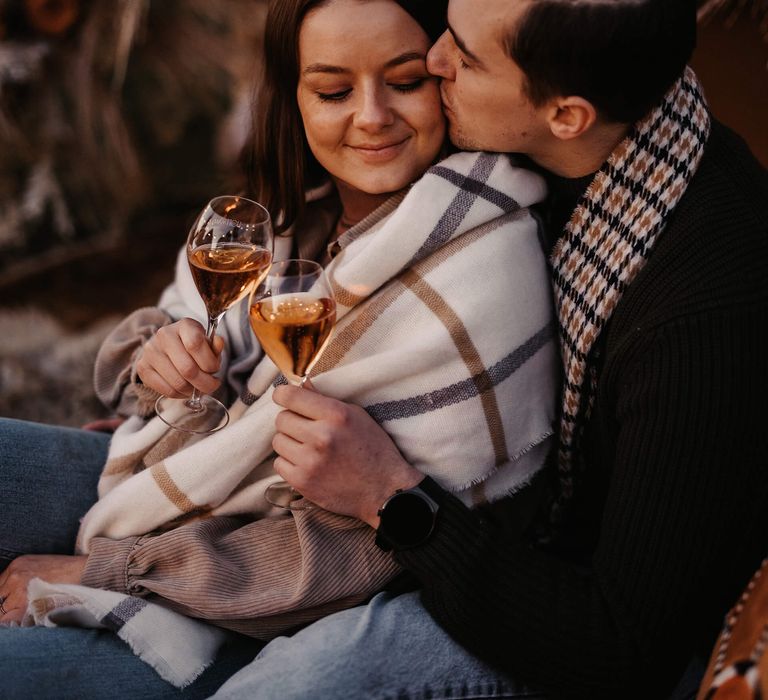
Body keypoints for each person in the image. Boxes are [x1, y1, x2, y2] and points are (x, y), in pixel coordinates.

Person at [208, 0, 768, 699]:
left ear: (567, 116)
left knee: (304, 678)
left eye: (464, 58)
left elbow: (622, 648)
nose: (434, 58)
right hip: (466, 543)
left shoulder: (700, 316)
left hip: (576, 618)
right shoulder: (585, 107)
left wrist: (392, 497)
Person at [0, 0, 559, 696]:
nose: (372, 114)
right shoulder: (290, 219)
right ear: (292, 100)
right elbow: (154, 357)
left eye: (405, 80)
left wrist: (99, 573)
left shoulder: (483, 272)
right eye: (332, 90)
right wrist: (158, 357)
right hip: (189, 499)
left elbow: (351, 563)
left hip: (262, 615)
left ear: (448, 77)